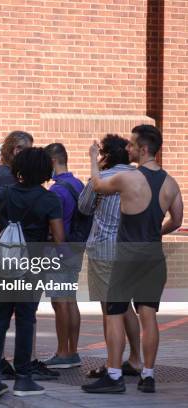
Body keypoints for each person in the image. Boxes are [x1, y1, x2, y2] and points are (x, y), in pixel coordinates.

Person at [82, 125, 183, 394]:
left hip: (127, 259)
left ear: (144, 149)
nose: (128, 149)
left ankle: (114, 375)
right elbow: (177, 220)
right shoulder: (171, 183)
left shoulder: (128, 179)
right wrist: (155, 231)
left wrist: (93, 158)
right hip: (153, 258)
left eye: (132, 145)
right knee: (148, 316)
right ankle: (147, 375)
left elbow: (97, 184)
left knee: (114, 313)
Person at [0, 147, 64, 402]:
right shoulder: (50, 200)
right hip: (33, 267)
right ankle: (23, 378)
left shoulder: (4, 194)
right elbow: (60, 241)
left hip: (5, 264)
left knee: (0, 319)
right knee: (26, 319)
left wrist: (9, 233)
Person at [78, 134, 143, 379]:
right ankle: (136, 358)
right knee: (126, 306)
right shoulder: (141, 177)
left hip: (104, 250)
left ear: (106, 155)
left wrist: (93, 164)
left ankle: (111, 363)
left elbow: (83, 207)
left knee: (110, 310)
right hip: (130, 249)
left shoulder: (102, 178)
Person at [43, 143, 84, 369]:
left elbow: (53, 225)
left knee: (60, 302)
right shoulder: (77, 184)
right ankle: (73, 351)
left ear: (52, 162)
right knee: (71, 300)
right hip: (76, 249)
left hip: (59, 251)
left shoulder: (56, 191)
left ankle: (62, 352)